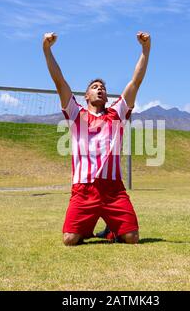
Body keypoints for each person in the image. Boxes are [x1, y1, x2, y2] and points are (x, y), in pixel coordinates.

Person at [43, 31, 151, 245]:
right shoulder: (76, 114)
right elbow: (59, 81)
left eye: (102, 87)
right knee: (70, 240)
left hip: (113, 189)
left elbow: (135, 82)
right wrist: (46, 49)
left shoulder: (117, 113)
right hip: (84, 189)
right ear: (86, 96)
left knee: (132, 238)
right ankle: (87, 226)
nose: (100, 89)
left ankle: (113, 229)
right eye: (95, 87)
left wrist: (145, 49)